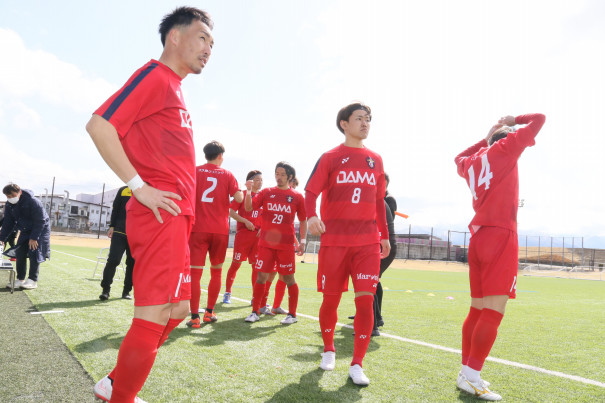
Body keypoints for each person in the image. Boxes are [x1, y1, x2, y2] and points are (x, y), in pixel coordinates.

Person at [86, 7, 214, 402]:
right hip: (158, 215)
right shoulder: (155, 76)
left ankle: (113, 382)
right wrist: (138, 186)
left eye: (212, 43)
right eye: (202, 38)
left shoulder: (175, 88)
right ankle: (120, 396)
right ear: (174, 37)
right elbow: (99, 125)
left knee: (176, 311)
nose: (208, 48)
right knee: (157, 313)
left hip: (178, 219)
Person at [454, 113, 545, 400]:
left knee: (477, 310)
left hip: (479, 236)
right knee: (493, 311)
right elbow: (540, 119)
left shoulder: (473, 161)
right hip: (500, 235)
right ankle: (472, 375)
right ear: (505, 138)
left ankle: (466, 372)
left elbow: (459, 157)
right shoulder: (505, 148)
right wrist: (513, 118)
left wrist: (488, 134)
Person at [305, 102, 390, 386]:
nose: (365, 123)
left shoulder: (375, 159)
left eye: (368, 119)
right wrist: (311, 216)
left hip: (367, 243)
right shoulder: (330, 157)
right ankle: (328, 349)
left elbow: (379, 201)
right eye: (359, 119)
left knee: (365, 303)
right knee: (331, 299)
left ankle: (357, 364)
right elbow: (310, 192)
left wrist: (385, 236)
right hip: (335, 243)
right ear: (344, 124)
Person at [186, 141, 242, 327]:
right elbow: (239, 198)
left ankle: (194, 317)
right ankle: (209, 312)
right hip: (220, 230)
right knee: (216, 272)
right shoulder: (227, 174)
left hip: (197, 228)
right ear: (220, 156)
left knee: (194, 274)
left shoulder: (194, 171)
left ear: (205, 155)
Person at [244, 162, 307, 325]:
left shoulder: (297, 197)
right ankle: (255, 311)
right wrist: (249, 191)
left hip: (285, 246)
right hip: (265, 244)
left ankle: (292, 314)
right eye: (276, 174)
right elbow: (249, 208)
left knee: (288, 278)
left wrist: (303, 241)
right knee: (261, 276)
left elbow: (303, 220)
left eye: (282, 175)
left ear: (290, 177)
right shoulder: (267, 192)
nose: (278, 177)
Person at [223, 170, 263, 304]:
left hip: (258, 238)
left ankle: (255, 297)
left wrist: (263, 228)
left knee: (256, 267)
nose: (260, 182)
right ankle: (227, 293)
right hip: (243, 236)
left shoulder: (263, 197)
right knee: (236, 264)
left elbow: (267, 216)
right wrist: (245, 221)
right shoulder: (242, 194)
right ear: (250, 181)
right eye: (257, 180)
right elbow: (231, 212)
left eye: (261, 180)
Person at [1, 184, 51, 289]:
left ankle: (33, 280)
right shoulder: (9, 205)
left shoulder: (33, 201)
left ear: (19, 192)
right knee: (20, 252)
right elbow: (8, 223)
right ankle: (20, 279)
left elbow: (40, 220)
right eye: (8, 197)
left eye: (12, 196)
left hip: (40, 229)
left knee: (34, 252)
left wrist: (34, 238)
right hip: (25, 229)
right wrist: (2, 239)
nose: (10, 198)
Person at [99, 186, 134, 300]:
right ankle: (105, 290)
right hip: (119, 231)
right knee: (113, 260)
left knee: (132, 264)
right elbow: (115, 209)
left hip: (136, 234)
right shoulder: (123, 190)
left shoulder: (146, 189)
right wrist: (112, 226)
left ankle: (126, 291)